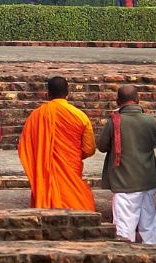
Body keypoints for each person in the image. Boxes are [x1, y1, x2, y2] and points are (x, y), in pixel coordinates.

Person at [19, 76, 97, 213]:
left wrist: (45, 155)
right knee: (77, 205)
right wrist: (70, 155)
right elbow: (89, 149)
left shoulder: (36, 116)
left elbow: (26, 147)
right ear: (68, 92)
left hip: (45, 172)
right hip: (71, 167)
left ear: (48, 93)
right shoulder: (79, 116)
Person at [97, 86, 156, 242]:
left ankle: (127, 260)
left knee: (124, 227)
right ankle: (153, 257)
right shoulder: (151, 121)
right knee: (149, 225)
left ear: (118, 101)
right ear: (138, 99)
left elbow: (102, 146)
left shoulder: (115, 121)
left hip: (123, 181)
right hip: (147, 179)